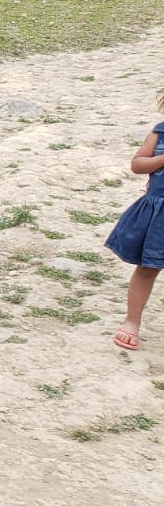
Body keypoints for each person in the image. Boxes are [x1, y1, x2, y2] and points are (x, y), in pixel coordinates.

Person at [105, 90, 164, 351]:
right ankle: (132, 320)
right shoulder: (160, 133)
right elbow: (138, 164)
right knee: (147, 268)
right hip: (159, 216)